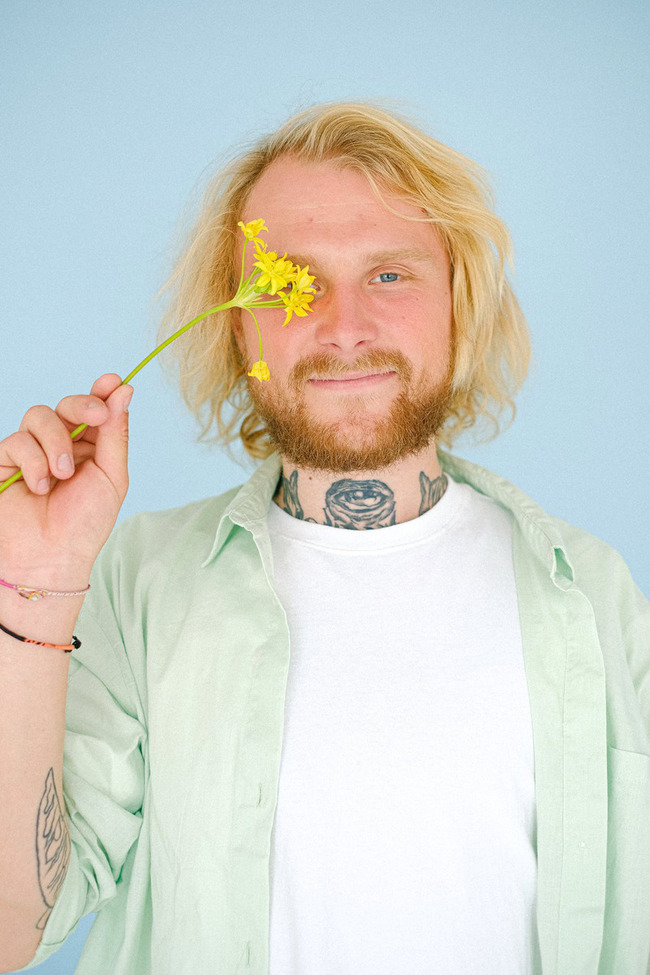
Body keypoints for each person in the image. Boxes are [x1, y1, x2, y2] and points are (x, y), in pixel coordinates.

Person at [0, 102, 648, 975]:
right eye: (290, 283)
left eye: (389, 274)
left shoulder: (595, 593)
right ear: (239, 325)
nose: (344, 326)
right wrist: (36, 583)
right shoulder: (132, 586)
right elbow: (12, 930)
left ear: (458, 307)